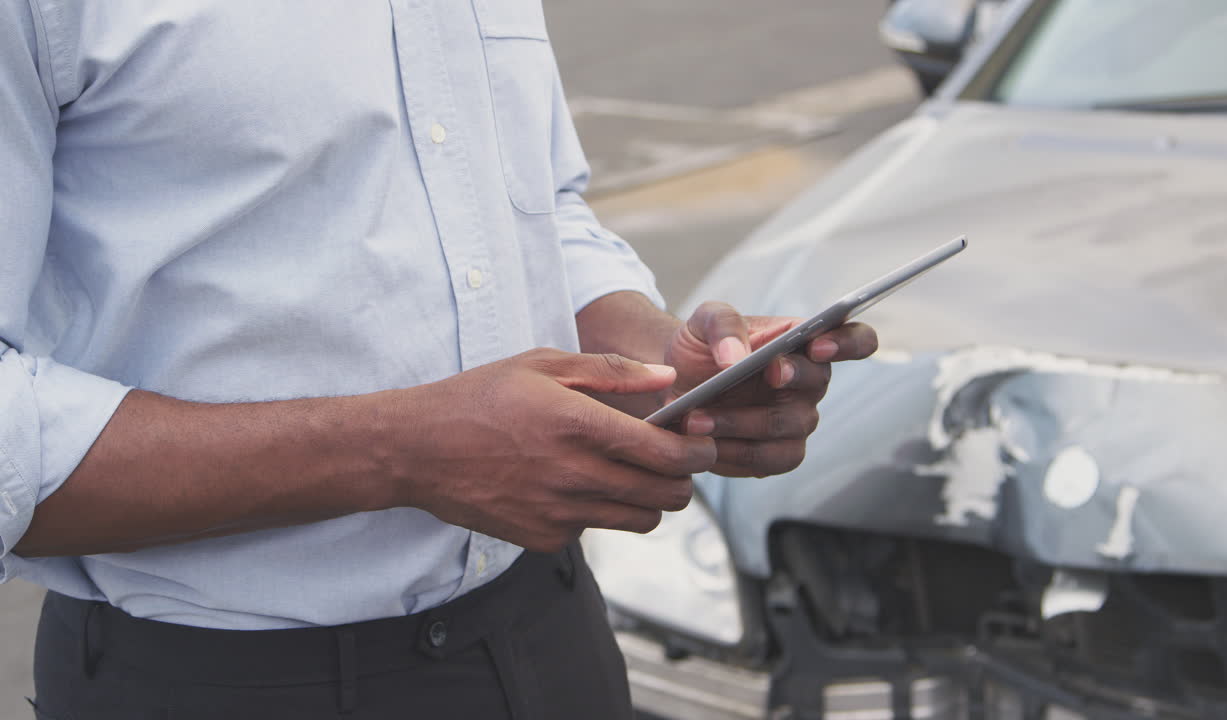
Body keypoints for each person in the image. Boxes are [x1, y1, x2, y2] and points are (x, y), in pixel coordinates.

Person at [0, 2, 877, 718]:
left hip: (551, 635)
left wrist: (658, 358)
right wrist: (405, 450)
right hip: (217, 681)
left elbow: (536, 203)